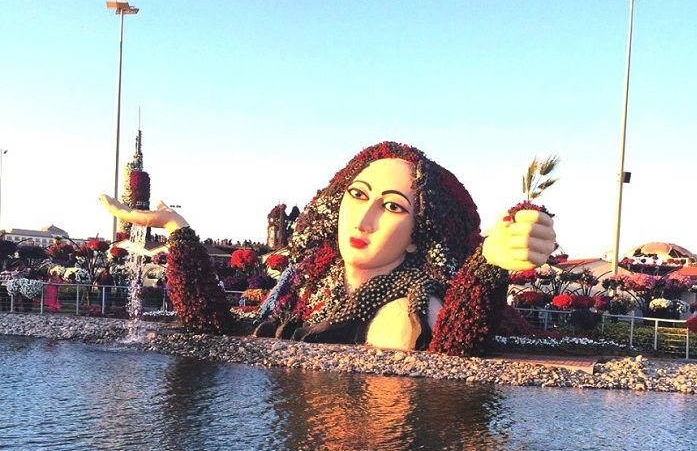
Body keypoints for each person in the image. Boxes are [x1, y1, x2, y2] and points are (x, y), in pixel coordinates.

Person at [100, 141, 555, 355]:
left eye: (392, 206)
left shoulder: (416, 304)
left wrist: (487, 268)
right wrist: (178, 230)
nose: (364, 219)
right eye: (358, 195)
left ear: (419, 233)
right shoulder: (308, 281)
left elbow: (450, 352)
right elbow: (215, 326)